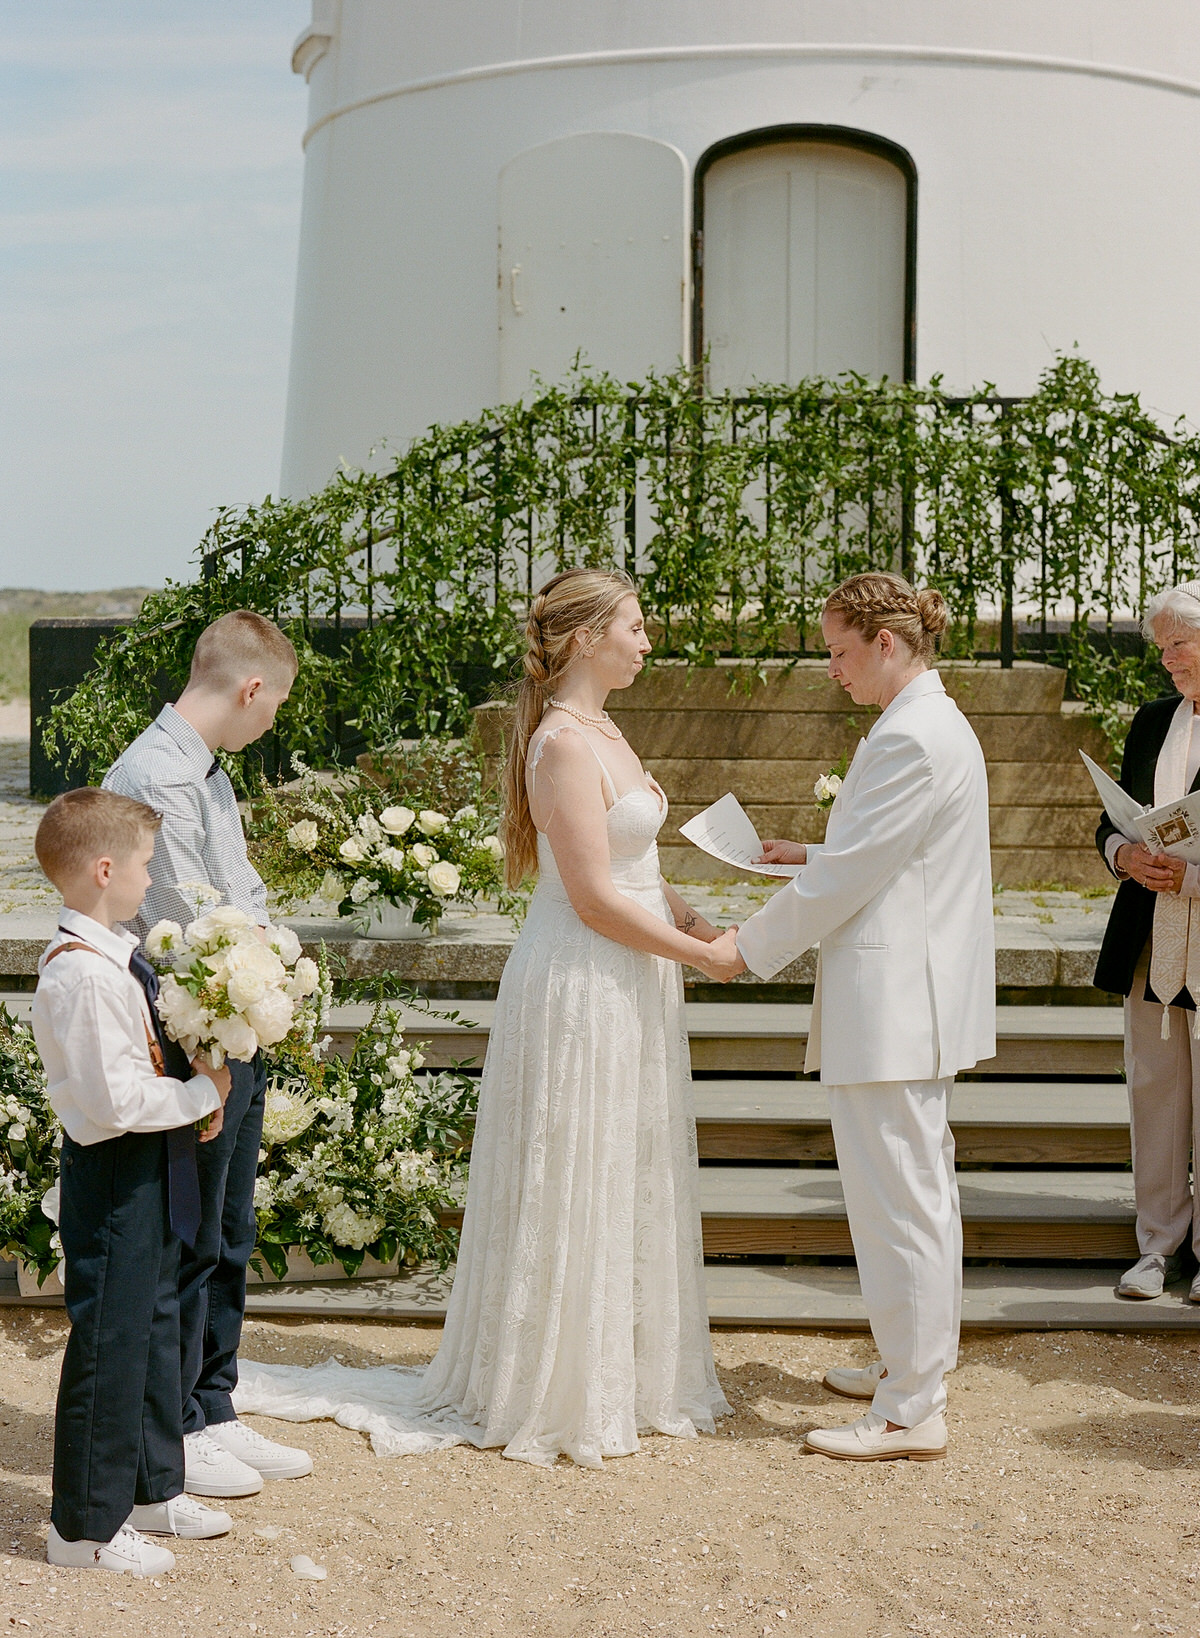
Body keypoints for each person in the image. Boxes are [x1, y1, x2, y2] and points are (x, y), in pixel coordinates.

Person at [234, 567, 732, 1466]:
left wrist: (696, 921)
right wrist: (697, 955)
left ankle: (623, 1371)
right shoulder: (561, 746)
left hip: (635, 974)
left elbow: (637, 871)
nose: (647, 641)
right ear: (587, 637)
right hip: (585, 976)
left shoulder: (607, 729)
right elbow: (587, 895)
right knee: (575, 1158)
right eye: (635, 625)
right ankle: (550, 1381)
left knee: (625, 1156)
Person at [706, 571, 995, 1462]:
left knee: (899, 1202)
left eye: (838, 651)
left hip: (899, 1004)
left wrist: (742, 948)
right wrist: (816, 848)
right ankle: (912, 1367)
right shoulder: (922, 725)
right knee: (915, 1193)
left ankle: (912, 1406)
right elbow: (874, 854)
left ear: (886, 643)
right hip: (909, 997)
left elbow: (850, 881)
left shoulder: (912, 735)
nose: (831, 668)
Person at [103, 610, 313, 1497]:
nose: (272, 724)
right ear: (250, 688)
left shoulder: (207, 776)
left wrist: (278, 973)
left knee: (229, 1230)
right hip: (189, 1037)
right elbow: (179, 925)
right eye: (275, 708)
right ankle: (181, 1425)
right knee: (190, 1234)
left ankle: (214, 1403)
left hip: (236, 1024)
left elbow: (245, 894)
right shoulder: (155, 777)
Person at [31, 788, 233, 1574]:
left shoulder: (117, 956)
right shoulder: (82, 975)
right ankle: (82, 1528)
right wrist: (198, 1096)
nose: (152, 879)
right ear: (104, 869)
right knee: (111, 1341)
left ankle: (150, 1486)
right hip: (114, 1172)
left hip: (148, 1162)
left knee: (152, 1324)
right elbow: (113, 1101)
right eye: (145, 865)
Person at [1094, 580, 1200, 1302]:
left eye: (1178, 644)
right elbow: (1109, 824)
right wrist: (1123, 856)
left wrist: (1191, 877)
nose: (1166, 659)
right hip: (1148, 936)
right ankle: (1157, 1246)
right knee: (1155, 1095)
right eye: (1161, 647)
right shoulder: (1152, 719)